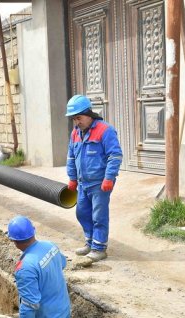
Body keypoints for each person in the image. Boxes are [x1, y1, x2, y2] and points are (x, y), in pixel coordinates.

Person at [65, 95, 123, 262]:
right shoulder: (75, 133)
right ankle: (90, 242)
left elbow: (115, 155)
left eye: (79, 118)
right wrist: (72, 178)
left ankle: (99, 248)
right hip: (83, 183)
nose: (77, 122)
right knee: (82, 212)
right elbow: (71, 157)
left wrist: (109, 178)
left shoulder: (105, 130)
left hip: (100, 183)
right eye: (74, 119)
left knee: (99, 215)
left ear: (89, 114)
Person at [8, 215, 71, 318]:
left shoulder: (25, 268)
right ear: (33, 232)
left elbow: (29, 304)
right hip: (64, 312)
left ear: (14, 241)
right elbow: (62, 263)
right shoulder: (50, 246)